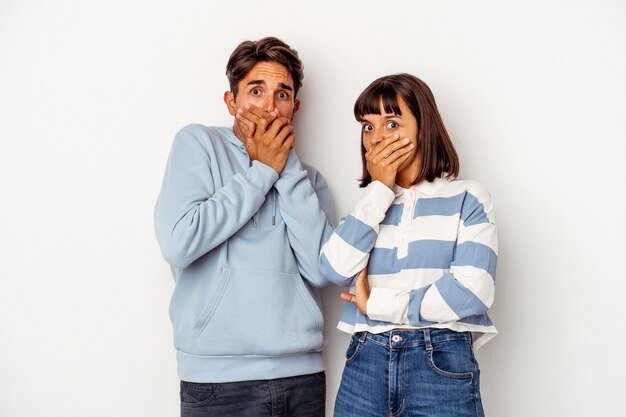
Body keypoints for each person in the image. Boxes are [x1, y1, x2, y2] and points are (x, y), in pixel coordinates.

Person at [154, 37, 335, 417]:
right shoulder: (198, 144)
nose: (269, 106)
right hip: (216, 380)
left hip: (301, 376)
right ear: (231, 102)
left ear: (295, 108)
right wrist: (262, 171)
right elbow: (179, 242)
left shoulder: (309, 180)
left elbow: (322, 271)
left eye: (282, 94)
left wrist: (284, 167)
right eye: (256, 90)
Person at [319, 73, 497, 417]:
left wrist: (377, 304)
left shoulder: (467, 197)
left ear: (423, 126)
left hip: (440, 363)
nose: (377, 138)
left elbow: (473, 292)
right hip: (364, 361)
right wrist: (380, 189)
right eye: (368, 127)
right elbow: (333, 268)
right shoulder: (368, 207)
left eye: (392, 122)